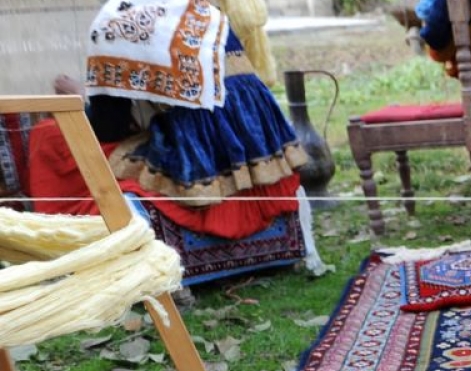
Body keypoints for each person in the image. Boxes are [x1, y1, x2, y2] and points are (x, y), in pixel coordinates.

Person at [28, 0, 309, 242]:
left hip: (202, 166)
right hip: (263, 158)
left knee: (51, 135)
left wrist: (80, 96)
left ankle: (59, 239)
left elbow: (108, 128)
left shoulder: (115, 25)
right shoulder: (203, 12)